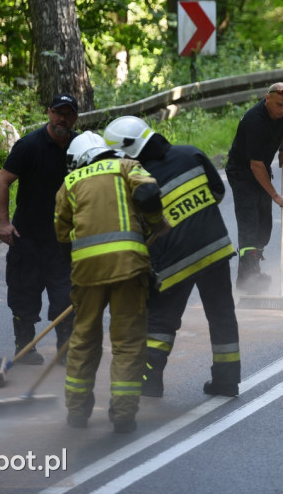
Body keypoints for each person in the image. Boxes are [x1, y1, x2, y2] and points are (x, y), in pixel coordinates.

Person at [103, 116, 241, 398]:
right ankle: (227, 382)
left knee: (161, 322)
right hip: (214, 249)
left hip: (173, 263)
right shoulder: (190, 153)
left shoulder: (135, 179)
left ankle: (149, 382)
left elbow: (135, 227)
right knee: (222, 314)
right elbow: (217, 192)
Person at [54, 131, 167, 434]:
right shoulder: (126, 166)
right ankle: (123, 415)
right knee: (128, 341)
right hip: (129, 267)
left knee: (83, 340)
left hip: (87, 272)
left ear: (77, 159)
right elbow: (148, 193)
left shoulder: (70, 183)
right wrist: (156, 223)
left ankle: (77, 412)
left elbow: (62, 234)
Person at [0, 93, 79, 365]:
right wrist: (4, 223)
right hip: (27, 237)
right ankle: (25, 347)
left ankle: (66, 349)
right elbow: (3, 181)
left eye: (68, 114)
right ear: (49, 112)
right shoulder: (29, 145)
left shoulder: (81, 147)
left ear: (75, 118)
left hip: (64, 238)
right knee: (23, 296)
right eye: (58, 112)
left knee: (66, 296)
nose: (62, 119)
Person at [225, 82, 283, 294]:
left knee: (265, 227)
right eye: (278, 105)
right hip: (243, 172)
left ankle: (254, 268)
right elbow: (255, 165)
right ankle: (247, 279)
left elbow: (282, 124)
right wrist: (275, 195)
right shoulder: (254, 121)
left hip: (261, 168)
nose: (282, 110)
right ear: (267, 98)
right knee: (250, 223)